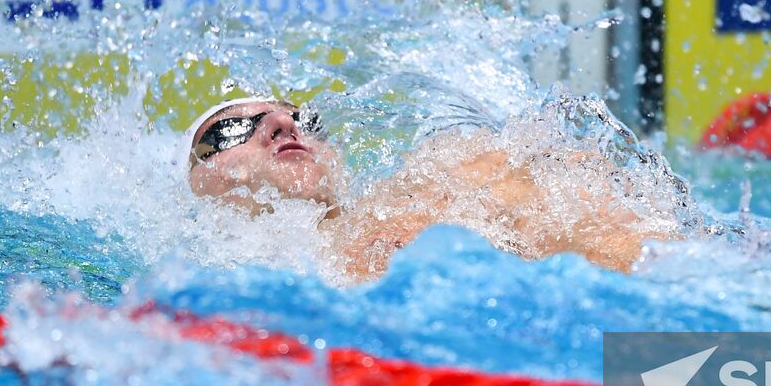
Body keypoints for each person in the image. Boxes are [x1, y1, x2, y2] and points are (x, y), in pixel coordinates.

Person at [183, 98, 683, 280]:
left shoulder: (431, 182)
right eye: (233, 129)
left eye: (305, 120)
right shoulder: (204, 277)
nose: (282, 124)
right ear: (197, 181)